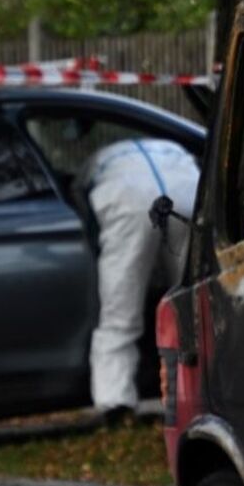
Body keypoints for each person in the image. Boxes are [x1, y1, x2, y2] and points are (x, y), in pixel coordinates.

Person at [83, 137, 199, 419]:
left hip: (128, 202)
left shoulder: (97, 161)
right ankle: (201, 393)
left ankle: (114, 401)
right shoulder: (172, 146)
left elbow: (80, 205)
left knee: (120, 312)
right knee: (194, 303)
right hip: (187, 194)